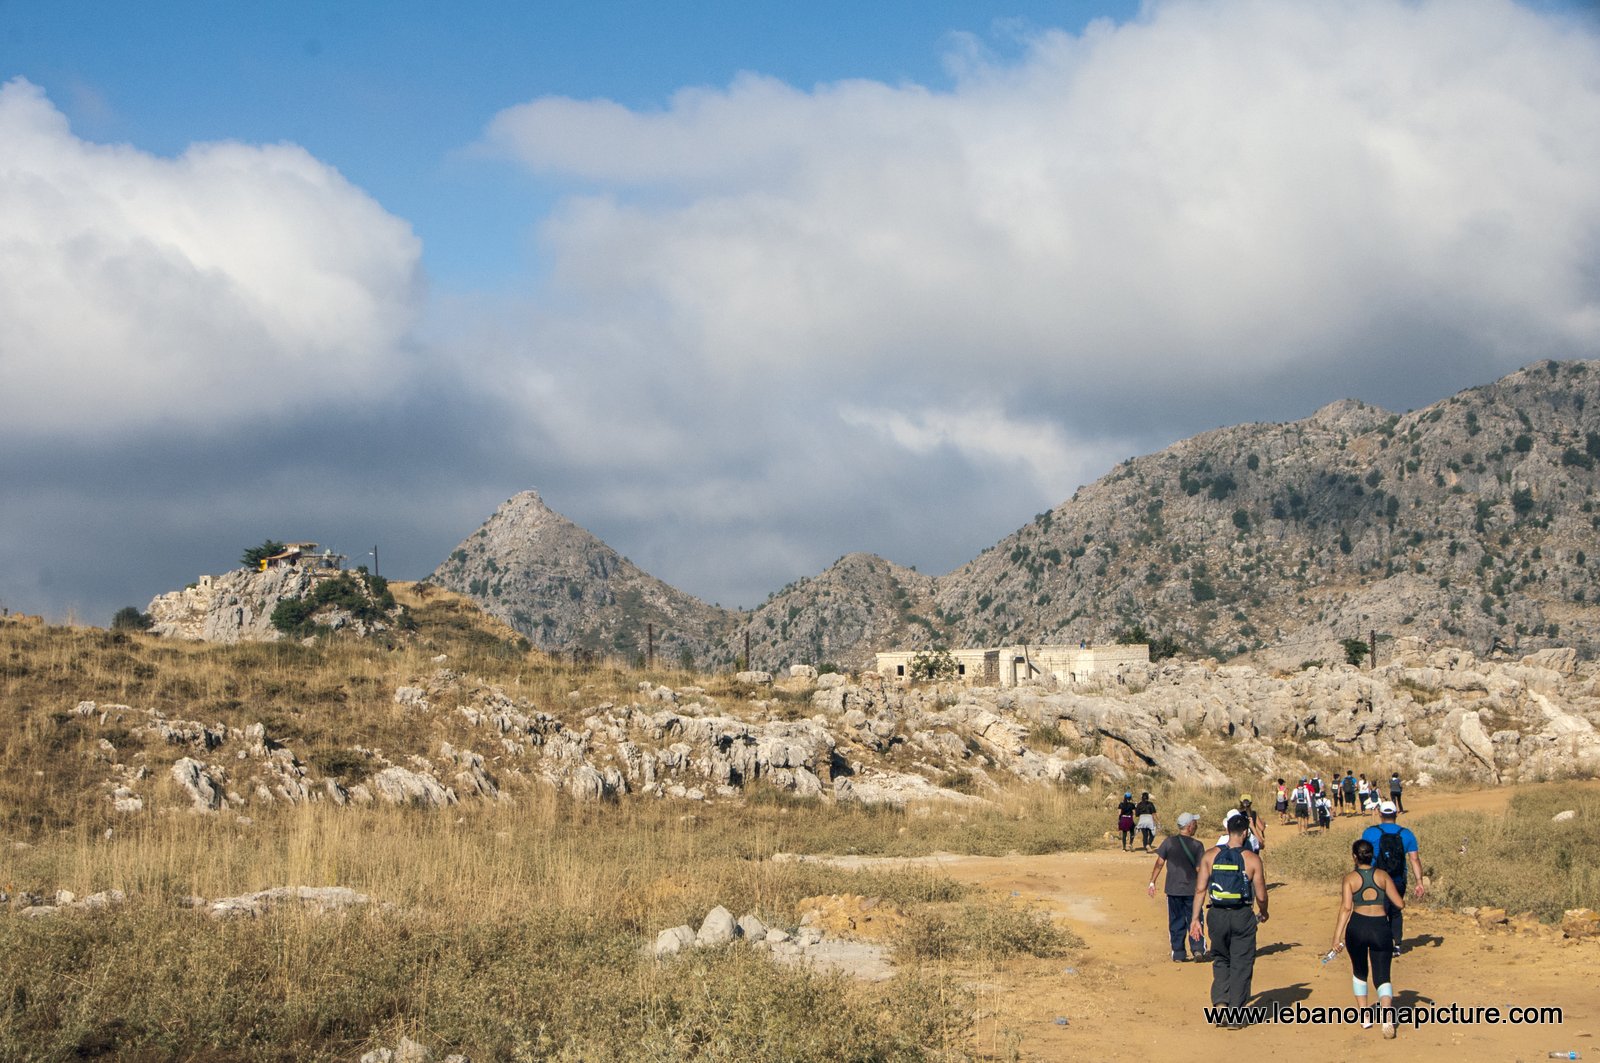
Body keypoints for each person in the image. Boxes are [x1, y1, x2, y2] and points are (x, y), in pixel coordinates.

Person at [1190, 814, 1269, 1022]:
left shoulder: (1210, 855)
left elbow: (1200, 890)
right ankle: (1235, 1012)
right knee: (1241, 962)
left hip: (1216, 914)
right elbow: (1261, 895)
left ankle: (1221, 1004)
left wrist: (1195, 919)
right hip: (1242, 914)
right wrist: (1264, 911)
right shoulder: (1252, 859)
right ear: (1245, 833)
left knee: (1221, 958)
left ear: (1227, 831)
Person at [1330, 838, 1406, 1037]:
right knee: (1382, 975)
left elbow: (1346, 908)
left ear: (1354, 856)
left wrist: (1336, 937)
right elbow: (1399, 904)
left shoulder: (1350, 879)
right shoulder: (1382, 875)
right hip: (1380, 927)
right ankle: (1387, 1017)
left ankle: (1364, 1016)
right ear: (1372, 856)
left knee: (1359, 971)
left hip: (1357, 927)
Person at [1361, 801, 1424, 955]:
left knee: (1379, 910)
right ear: (1395, 814)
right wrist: (1419, 882)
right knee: (1395, 911)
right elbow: (1414, 859)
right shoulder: (1406, 834)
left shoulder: (1370, 833)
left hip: (1376, 878)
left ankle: (1382, 943)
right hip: (1398, 878)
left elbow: (1363, 856)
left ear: (1381, 815)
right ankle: (1397, 944)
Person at [1148, 812, 1207, 961]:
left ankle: (1179, 953)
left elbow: (1159, 863)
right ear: (1189, 826)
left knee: (1176, 921)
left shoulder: (1168, 842)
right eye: (1195, 823)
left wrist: (1152, 882)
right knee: (1195, 919)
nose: (1196, 825)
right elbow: (1200, 870)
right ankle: (1198, 949)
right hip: (1192, 890)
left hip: (1173, 890)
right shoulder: (1197, 845)